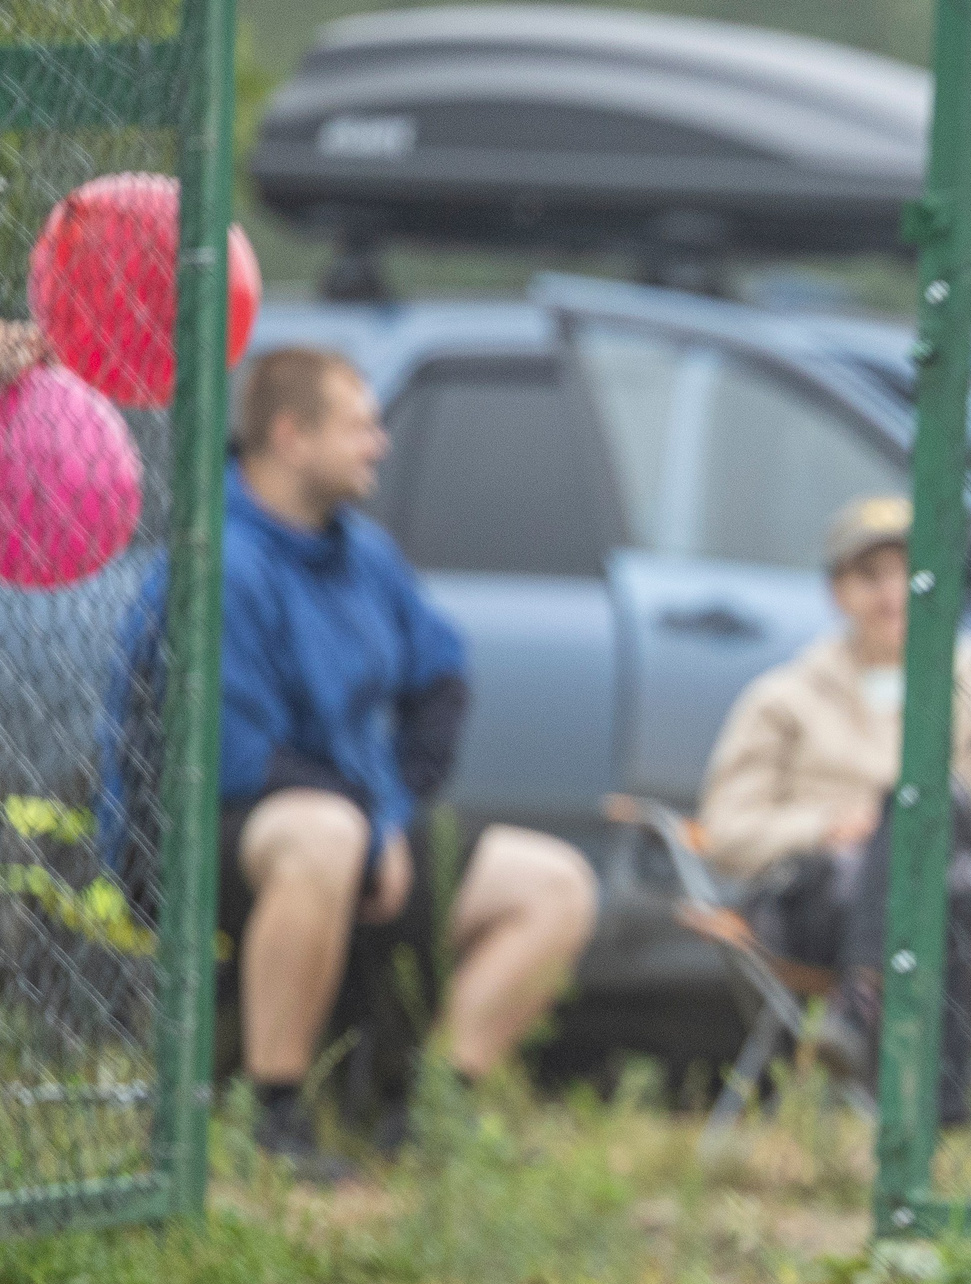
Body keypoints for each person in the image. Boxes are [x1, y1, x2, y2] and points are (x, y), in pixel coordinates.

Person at [99, 348, 598, 1178]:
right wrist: (371, 831)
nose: (380, 444)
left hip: (351, 823)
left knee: (556, 884)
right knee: (323, 833)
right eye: (361, 424)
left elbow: (441, 676)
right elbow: (233, 757)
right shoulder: (218, 557)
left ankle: (427, 1114)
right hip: (207, 832)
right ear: (292, 435)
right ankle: (279, 1117)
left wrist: (393, 814)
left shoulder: (362, 552)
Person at [697, 494, 971, 1122]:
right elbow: (725, 831)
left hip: (946, 895)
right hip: (820, 904)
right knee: (919, 834)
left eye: (910, 573)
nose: (892, 594)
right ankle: (937, 1124)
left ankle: (857, 1012)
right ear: (837, 593)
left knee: (939, 823)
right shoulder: (783, 697)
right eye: (869, 576)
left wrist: (960, 858)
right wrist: (824, 828)